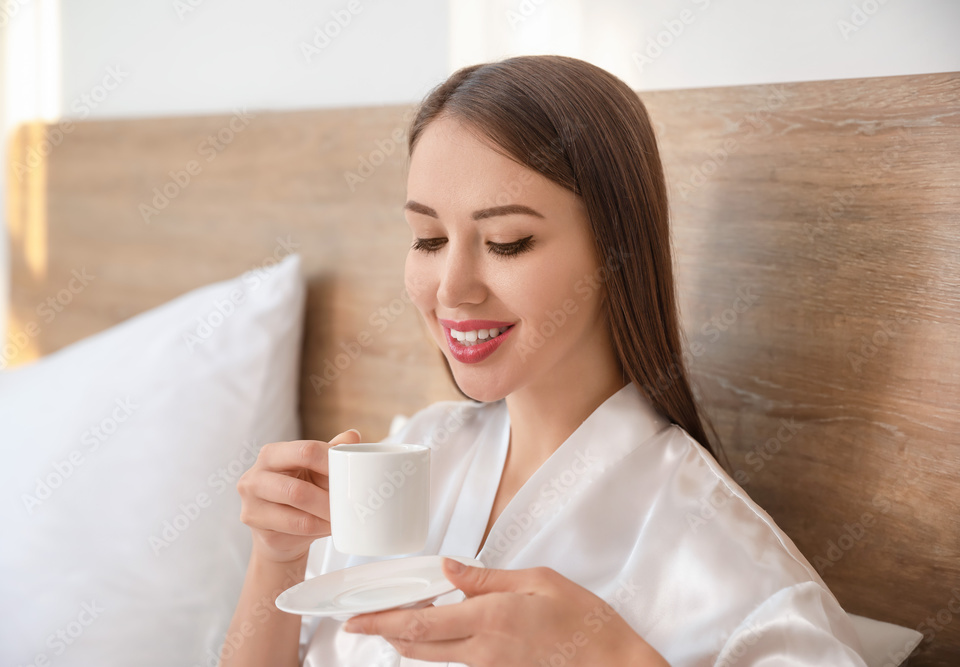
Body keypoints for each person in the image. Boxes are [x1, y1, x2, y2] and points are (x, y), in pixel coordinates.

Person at [220, 55, 868, 666]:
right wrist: (276, 558)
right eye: (429, 238)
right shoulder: (411, 457)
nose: (451, 288)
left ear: (616, 250)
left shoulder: (706, 540)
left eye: (508, 241)